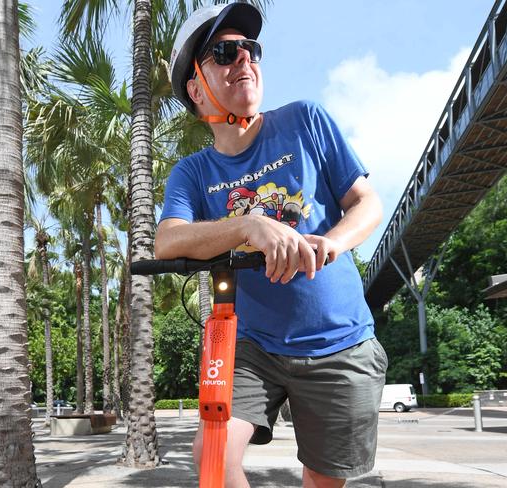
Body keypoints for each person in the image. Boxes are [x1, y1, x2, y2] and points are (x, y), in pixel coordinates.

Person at [157, 4, 387, 487]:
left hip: (340, 341)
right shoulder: (193, 173)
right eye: (225, 52)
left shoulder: (305, 121)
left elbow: (366, 203)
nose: (244, 60)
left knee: (322, 481)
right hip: (252, 346)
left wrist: (331, 243)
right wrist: (250, 224)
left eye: (250, 49)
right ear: (196, 90)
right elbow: (168, 240)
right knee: (212, 457)